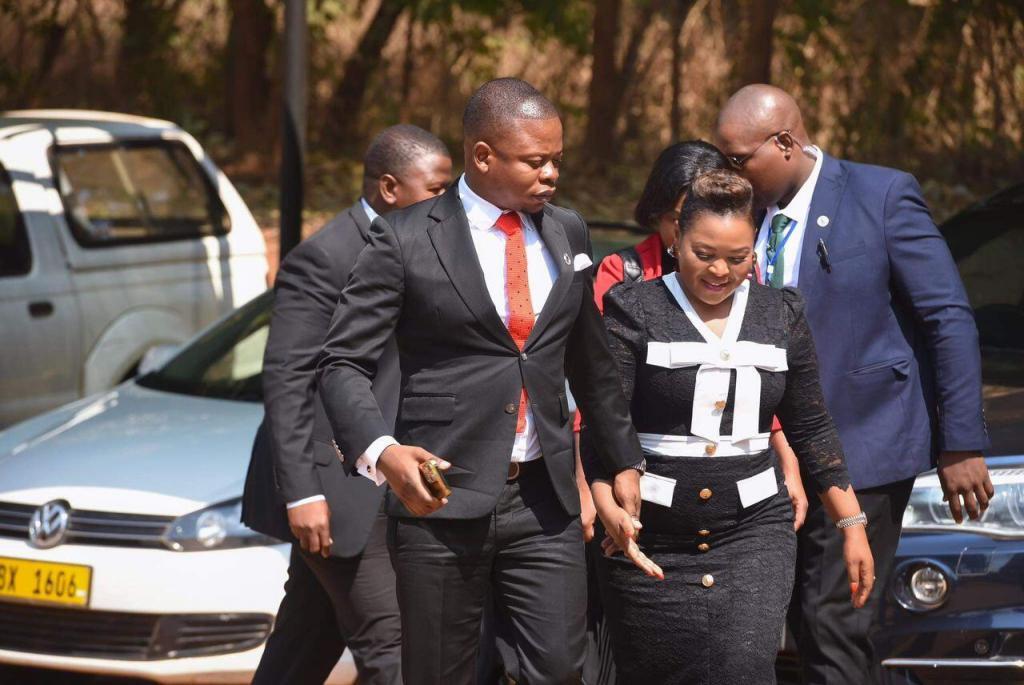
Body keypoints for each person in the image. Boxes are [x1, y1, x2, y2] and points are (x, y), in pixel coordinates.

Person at [316, 77, 647, 685]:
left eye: (557, 161)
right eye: (535, 161)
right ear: (483, 156)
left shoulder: (567, 231)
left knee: (559, 671)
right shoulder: (404, 236)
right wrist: (382, 454)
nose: (551, 174)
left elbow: (590, 361)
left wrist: (623, 458)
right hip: (442, 497)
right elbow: (341, 364)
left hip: (544, 502)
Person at [714, 84, 994, 685]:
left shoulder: (881, 195)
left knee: (830, 621)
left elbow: (947, 316)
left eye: (739, 159)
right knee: (792, 627)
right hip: (765, 456)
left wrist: (961, 441)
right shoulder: (746, 216)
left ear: (785, 142)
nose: (729, 173)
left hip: (861, 445)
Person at [584, 169, 874, 684]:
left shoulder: (780, 314)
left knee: (743, 668)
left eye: (738, 259)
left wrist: (852, 526)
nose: (720, 270)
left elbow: (811, 427)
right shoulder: (633, 308)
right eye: (704, 254)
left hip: (754, 534)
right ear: (676, 241)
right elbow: (607, 423)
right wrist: (608, 506)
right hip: (652, 538)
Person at [241, 124, 452, 685]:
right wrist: (305, 492)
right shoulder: (326, 256)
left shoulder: (423, 248)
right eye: (436, 188)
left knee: (302, 646)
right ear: (390, 188)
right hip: (330, 488)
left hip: (380, 478)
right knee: (394, 646)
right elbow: (289, 380)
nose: (447, 201)